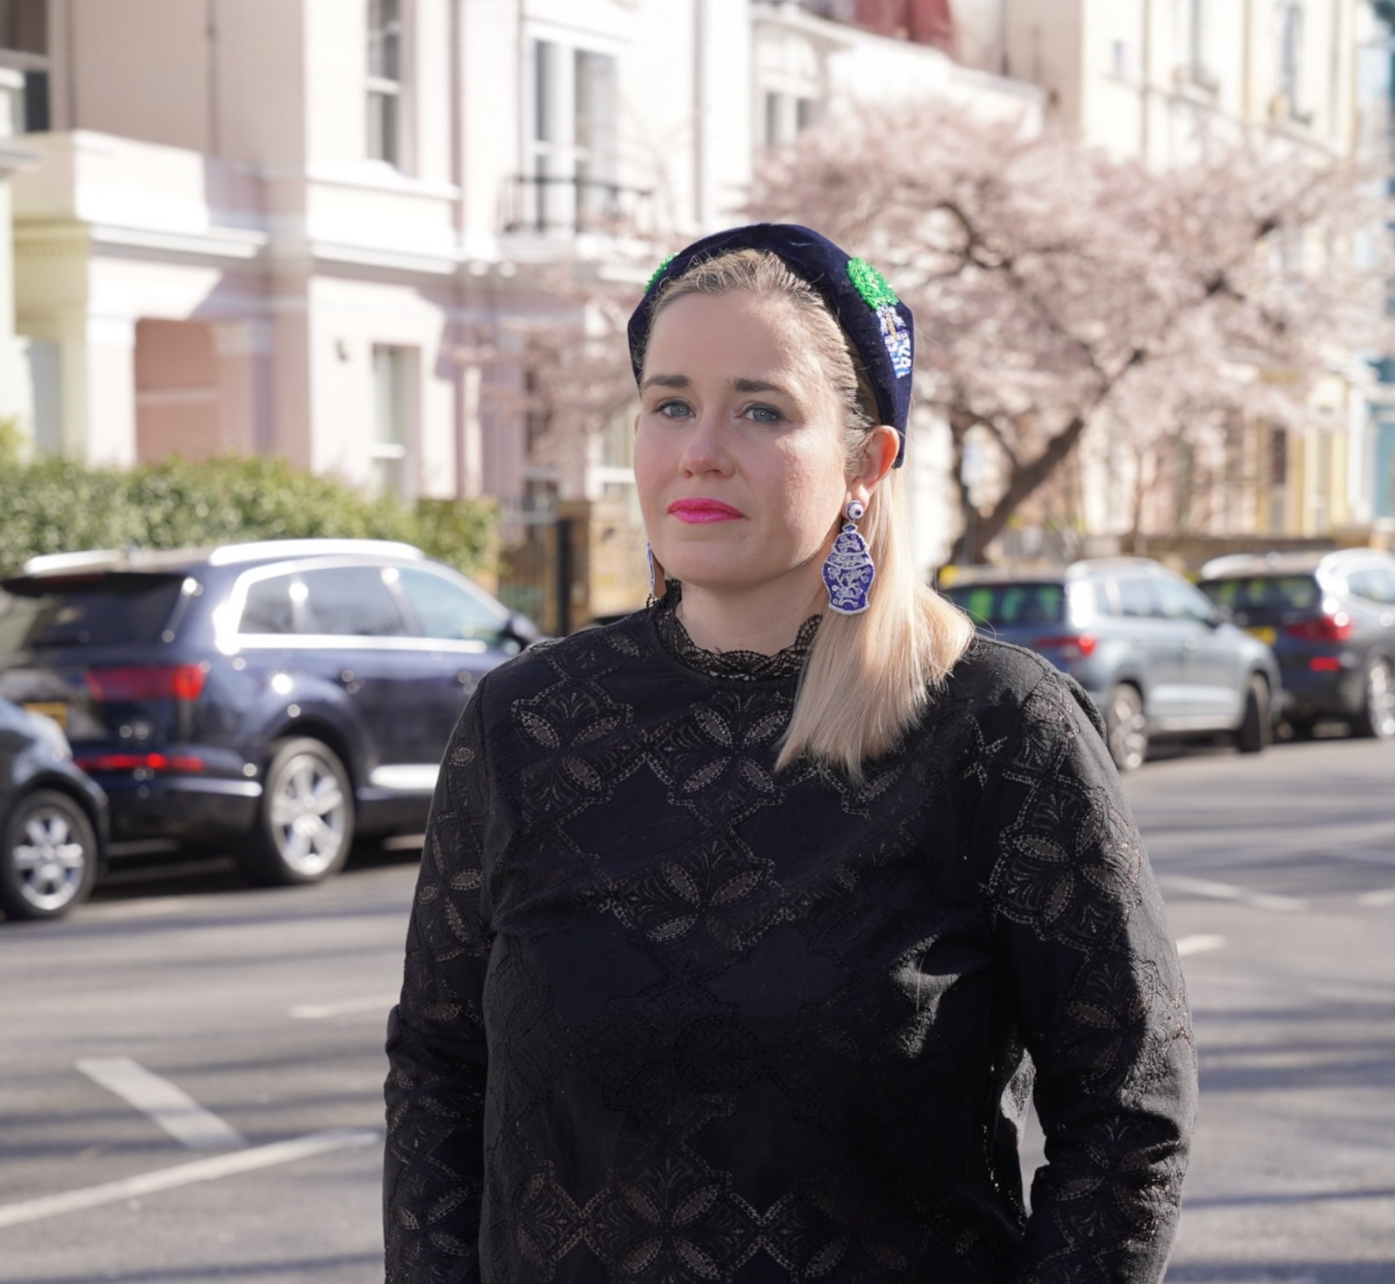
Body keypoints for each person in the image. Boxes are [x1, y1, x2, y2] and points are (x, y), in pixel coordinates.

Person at [384, 223, 1196, 1284]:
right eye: (670, 404)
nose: (700, 449)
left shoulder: (995, 725)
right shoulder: (524, 722)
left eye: (760, 409)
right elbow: (438, 1073)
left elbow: (1126, 1106)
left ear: (866, 462)